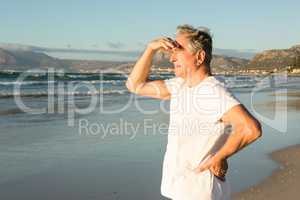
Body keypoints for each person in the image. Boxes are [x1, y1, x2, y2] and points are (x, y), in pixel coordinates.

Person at [126, 24, 262, 200]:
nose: (171, 58)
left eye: (178, 50)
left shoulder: (211, 91)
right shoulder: (180, 86)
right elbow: (135, 85)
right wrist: (151, 49)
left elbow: (250, 128)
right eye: (171, 51)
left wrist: (219, 157)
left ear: (199, 56)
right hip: (183, 188)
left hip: (200, 190)